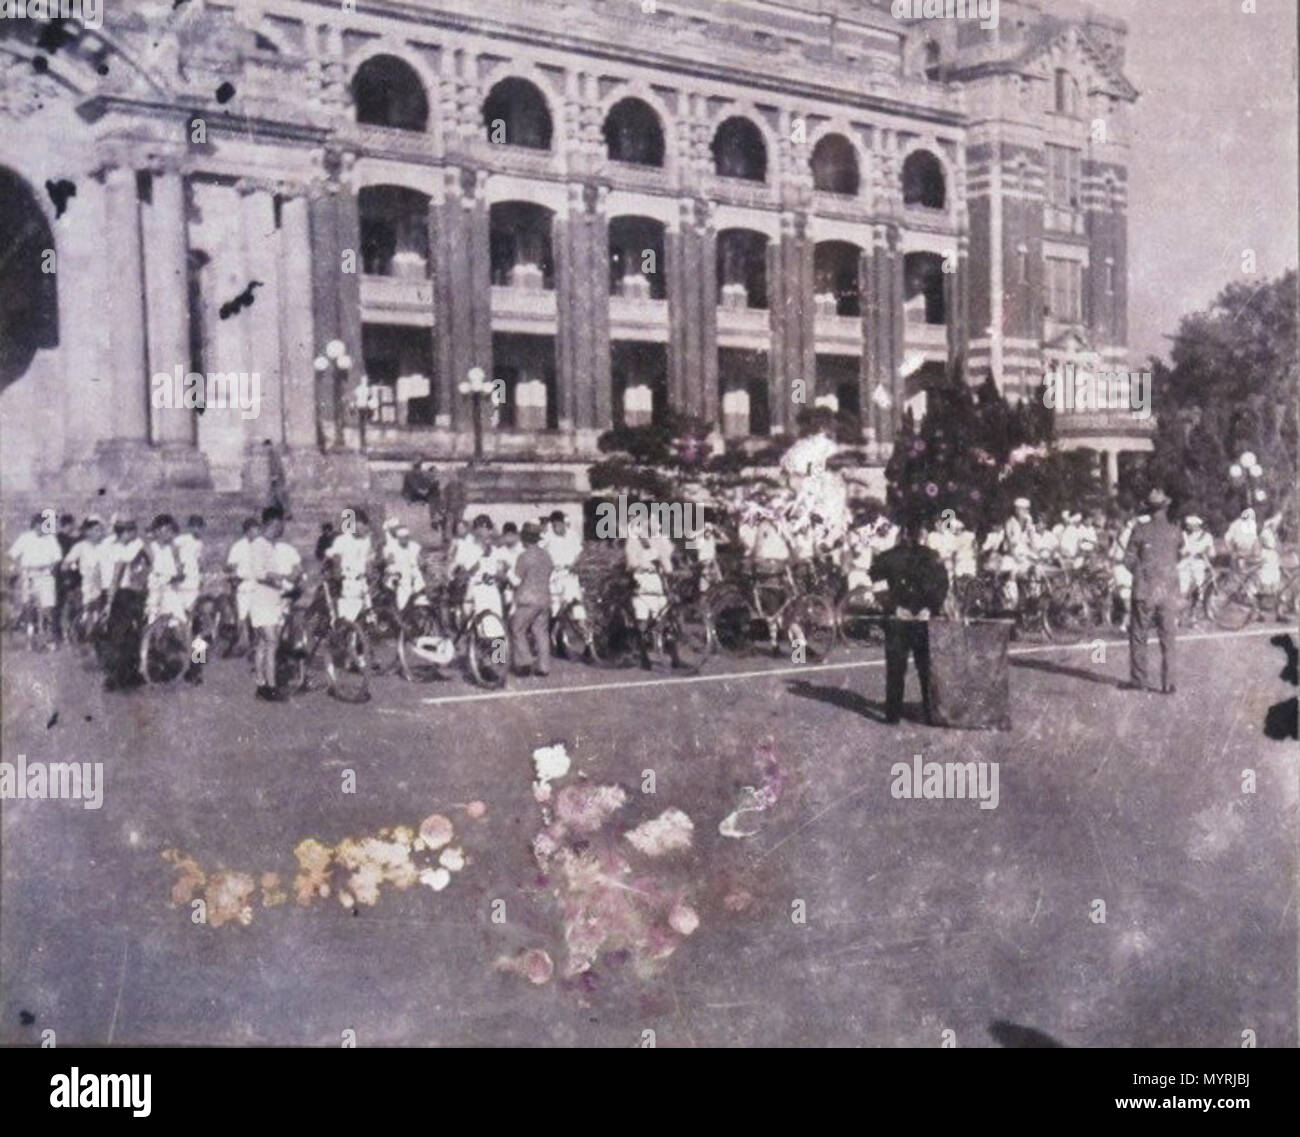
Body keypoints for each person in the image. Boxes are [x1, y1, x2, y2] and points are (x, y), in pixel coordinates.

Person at [870, 519, 949, 725]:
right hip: (923, 619)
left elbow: (878, 587)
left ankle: (892, 715)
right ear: (921, 533)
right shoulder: (932, 557)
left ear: (902, 532)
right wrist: (930, 608)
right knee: (927, 669)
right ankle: (931, 714)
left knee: (895, 669)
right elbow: (943, 585)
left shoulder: (886, 558)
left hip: (898, 618)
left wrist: (893, 608)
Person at [1123, 488, 1180, 694]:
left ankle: (1139, 679)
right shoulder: (1175, 530)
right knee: (1168, 637)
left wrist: (1142, 572)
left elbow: (1127, 559)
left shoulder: (1140, 529)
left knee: (1139, 634)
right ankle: (1168, 682)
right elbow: (1178, 555)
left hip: (1145, 589)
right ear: (1166, 507)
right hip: (1167, 589)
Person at [248, 507, 296, 701]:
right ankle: (271, 686)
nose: (283, 527)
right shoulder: (259, 544)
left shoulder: (270, 545)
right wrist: (283, 577)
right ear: (273, 524)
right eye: (281, 523)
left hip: (271, 600)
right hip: (261, 601)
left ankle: (261, 685)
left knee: (263, 644)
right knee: (272, 642)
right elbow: (259, 573)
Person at [102, 517, 151, 690]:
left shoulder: (108, 543)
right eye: (133, 531)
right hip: (121, 594)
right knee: (123, 635)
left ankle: (125, 674)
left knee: (124, 634)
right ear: (127, 532)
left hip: (114, 592)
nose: (136, 534)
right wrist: (109, 602)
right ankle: (119, 676)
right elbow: (117, 576)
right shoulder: (129, 547)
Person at [7, 512, 62, 645]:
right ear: (35, 525)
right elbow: (12, 555)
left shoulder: (51, 539)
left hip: (46, 576)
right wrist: (15, 569)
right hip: (29, 576)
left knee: (48, 608)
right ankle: (30, 638)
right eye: (40, 525)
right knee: (29, 607)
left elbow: (57, 558)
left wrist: (49, 568)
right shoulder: (25, 538)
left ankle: (49, 639)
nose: (42, 528)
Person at [509, 522, 554, 677]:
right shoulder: (546, 555)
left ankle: (524, 662)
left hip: (528, 599)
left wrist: (504, 574)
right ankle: (544, 667)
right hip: (545, 597)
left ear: (525, 539)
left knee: (517, 628)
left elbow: (516, 580)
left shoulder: (524, 556)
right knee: (541, 631)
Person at [325, 509, 374, 622]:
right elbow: (335, 558)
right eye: (361, 524)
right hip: (347, 582)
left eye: (365, 525)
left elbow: (368, 560)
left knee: (368, 617)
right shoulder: (342, 540)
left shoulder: (366, 541)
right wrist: (337, 574)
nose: (365, 528)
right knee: (349, 619)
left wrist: (370, 571)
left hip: (363, 583)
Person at [226, 517, 261, 655]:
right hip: (243, 587)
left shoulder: (261, 546)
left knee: (258, 618)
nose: (257, 532)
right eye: (254, 530)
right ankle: (240, 644)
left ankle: (256, 646)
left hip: (257, 587)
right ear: (247, 531)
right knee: (241, 617)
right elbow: (231, 566)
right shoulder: (238, 546)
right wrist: (235, 576)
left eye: (258, 529)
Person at [540, 509, 584, 618]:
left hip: (569, 575)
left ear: (563, 523)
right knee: (556, 608)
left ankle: (582, 632)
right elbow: (539, 552)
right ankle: (556, 633)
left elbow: (579, 553)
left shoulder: (573, 535)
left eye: (558, 524)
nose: (556, 527)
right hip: (554, 575)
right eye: (553, 525)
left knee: (575, 604)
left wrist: (574, 564)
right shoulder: (547, 537)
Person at [383, 525, 425, 611]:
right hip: (399, 575)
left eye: (406, 537)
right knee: (402, 603)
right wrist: (392, 571)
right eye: (401, 538)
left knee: (420, 598)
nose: (404, 540)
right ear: (398, 538)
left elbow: (421, 561)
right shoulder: (392, 548)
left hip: (414, 575)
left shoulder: (414, 547)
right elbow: (389, 564)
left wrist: (422, 564)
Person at [1177, 515, 1214, 608]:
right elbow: (1179, 549)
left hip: (1198, 563)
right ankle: (1181, 609)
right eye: (1187, 525)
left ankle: (1193, 611)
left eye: (1190, 525)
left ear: (1196, 525)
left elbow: (1211, 552)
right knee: (1183, 588)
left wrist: (1205, 554)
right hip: (1184, 563)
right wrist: (1182, 553)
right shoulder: (1183, 535)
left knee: (1199, 587)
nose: (1188, 527)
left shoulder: (1206, 536)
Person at [263, 439, 291, 519]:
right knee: (274, 496)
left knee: (280, 496)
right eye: (265, 448)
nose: (265, 449)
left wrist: (275, 476)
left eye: (266, 447)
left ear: (269, 445)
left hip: (278, 479)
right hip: (275, 479)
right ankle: (279, 513)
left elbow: (278, 466)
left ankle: (287, 513)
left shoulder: (274, 454)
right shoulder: (270, 454)